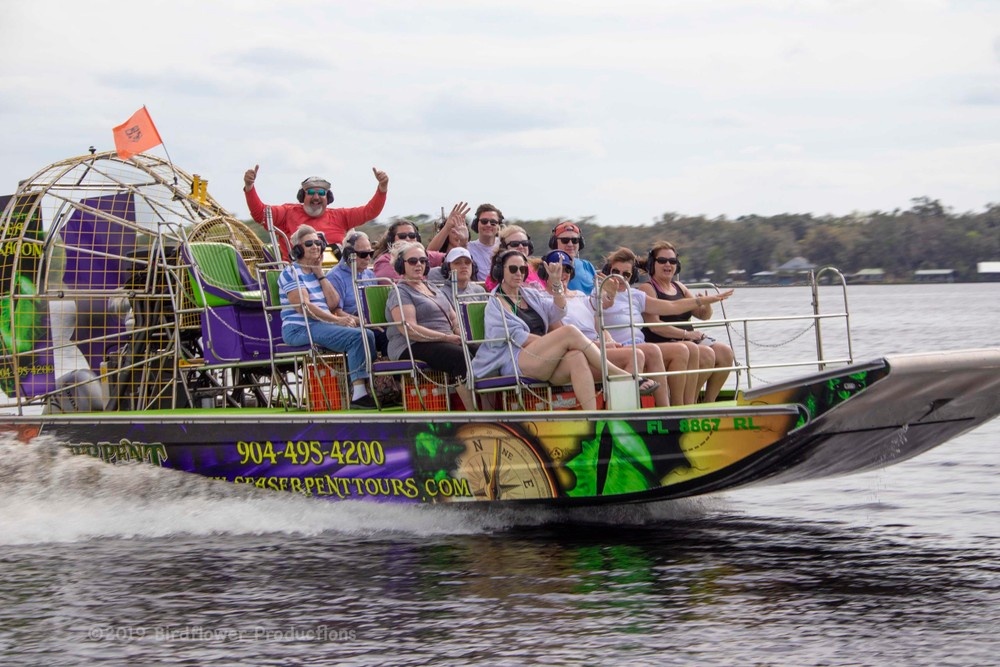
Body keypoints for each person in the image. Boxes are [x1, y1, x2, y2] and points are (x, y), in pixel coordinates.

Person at [472, 249, 631, 411]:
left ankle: (592, 418)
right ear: (500, 271)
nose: (518, 273)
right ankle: (618, 374)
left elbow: (558, 311)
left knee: (576, 356)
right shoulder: (495, 302)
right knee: (569, 332)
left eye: (523, 269)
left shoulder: (529, 294)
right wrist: (556, 344)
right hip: (513, 359)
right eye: (513, 269)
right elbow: (517, 338)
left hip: (540, 358)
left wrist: (556, 285)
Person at [539, 250, 670, 408]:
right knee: (635, 355)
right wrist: (603, 345)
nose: (563, 274)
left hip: (597, 348)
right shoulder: (544, 300)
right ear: (546, 272)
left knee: (646, 351)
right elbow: (564, 339)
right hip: (577, 355)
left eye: (567, 269)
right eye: (557, 270)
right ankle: (619, 417)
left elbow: (599, 317)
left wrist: (609, 339)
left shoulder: (580, 295)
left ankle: (663, 410)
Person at [277, 225, 377, 409]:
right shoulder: (291, 272)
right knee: (357, 337)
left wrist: (321, 274)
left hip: (318, 324)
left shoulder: (316, 273)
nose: (315, 246)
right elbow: (304, 308)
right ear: (298, 248)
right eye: (309, 243)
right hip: (300, 328)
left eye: (318, 243)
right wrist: (337, 320)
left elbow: (333, 303)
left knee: (368, 333)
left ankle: (364, 387)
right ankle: (359, 394)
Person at [638, 241, 736, 403]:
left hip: (688, 339)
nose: (668, 264)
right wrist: (687, 334)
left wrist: (706, 303)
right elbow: (654, 326)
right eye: (662, 261)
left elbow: (703, 315)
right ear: (652, 264)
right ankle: (688, 401)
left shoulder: (680, 287)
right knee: (706, 354)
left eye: (672, 261)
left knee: (725, 352)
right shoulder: (647, 288)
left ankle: (708, 402)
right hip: (664, 341)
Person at [385, 242, 476, 410]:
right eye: (412, 261)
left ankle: (491, 409)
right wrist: (446, 337)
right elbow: (409, 329)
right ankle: (473, 413)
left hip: (444, 339)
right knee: (460, 356)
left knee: (482, 350)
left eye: (422, 260)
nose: (418, 264)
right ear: (401, 265)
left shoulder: (433, 287)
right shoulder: (400, 292)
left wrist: (463, 335)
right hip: (411, 344)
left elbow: (454, 320)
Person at [243, 165, 389, 260]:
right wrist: (250, 187)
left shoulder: (341, 216)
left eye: (321, 193)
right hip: (299, 275)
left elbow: (370, 211)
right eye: (311, 192)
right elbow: (260, 214)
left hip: (335, 276)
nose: (316, 197)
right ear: (302, 196)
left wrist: (382, 188)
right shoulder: (287, 212)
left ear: (328, 197)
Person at [328, 230, 388, 356]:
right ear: (348, 254)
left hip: (372, 323)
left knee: (398, 333)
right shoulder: (335, 277)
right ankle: (377, 373)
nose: (368, 258)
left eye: (370, 253)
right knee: (383, 336)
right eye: (363, 254)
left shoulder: (369, 274)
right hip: (352, 326)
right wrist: (364, 322)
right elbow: (336, 312)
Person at [372, 204, 469, 280]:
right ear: (391, 239)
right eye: (402, 236)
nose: (408, 239)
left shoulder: (422, 255)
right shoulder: (384, 261)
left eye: (412, 236)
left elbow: (454, 260)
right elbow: (403, 284)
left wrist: (463, 243)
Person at [484, 225, 545, 291]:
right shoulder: (498, 274)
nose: (521, 246)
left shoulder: (539, 269)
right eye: (514, 244)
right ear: (503, 248)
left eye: (524, 243)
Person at [548, 221, 597, 294]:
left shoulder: (587, 265)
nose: (570, 244)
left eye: (575, 240)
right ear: (554, 243)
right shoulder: (548, 268)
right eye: (565, 240)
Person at [467, 203, 504, 281]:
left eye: (493, 222)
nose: (488, 225)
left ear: (498, 226)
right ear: (476, 224)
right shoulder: (467, 248)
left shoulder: (506, 246)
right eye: (484, 221)